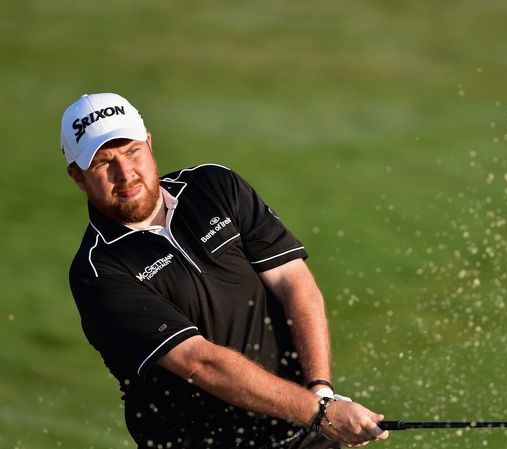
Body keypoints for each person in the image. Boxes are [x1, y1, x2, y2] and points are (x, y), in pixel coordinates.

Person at [61, 93, 389, 449]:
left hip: (304, 428)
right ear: (78, 177)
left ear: (149, 144)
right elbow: (198, 363)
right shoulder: (97, 272)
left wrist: (321, 391)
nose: (125, 174)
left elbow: (292, 281)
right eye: (102, 163)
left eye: (131, 151)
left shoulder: (213, 187)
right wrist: (319, 412)